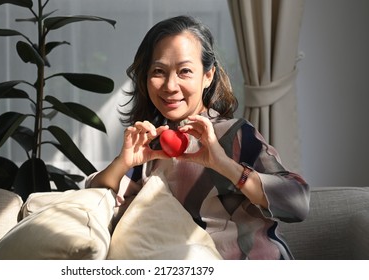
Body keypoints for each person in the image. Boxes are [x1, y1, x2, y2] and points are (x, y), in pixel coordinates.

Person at [85, 15, 310, 260]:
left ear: (208, 76)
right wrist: (123, 162)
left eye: (185, 71)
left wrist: (224, 165)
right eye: (158, 71)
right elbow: (96, 200)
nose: (170, 86)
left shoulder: (234, 134)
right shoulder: (152, 142)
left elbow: (297, 204)